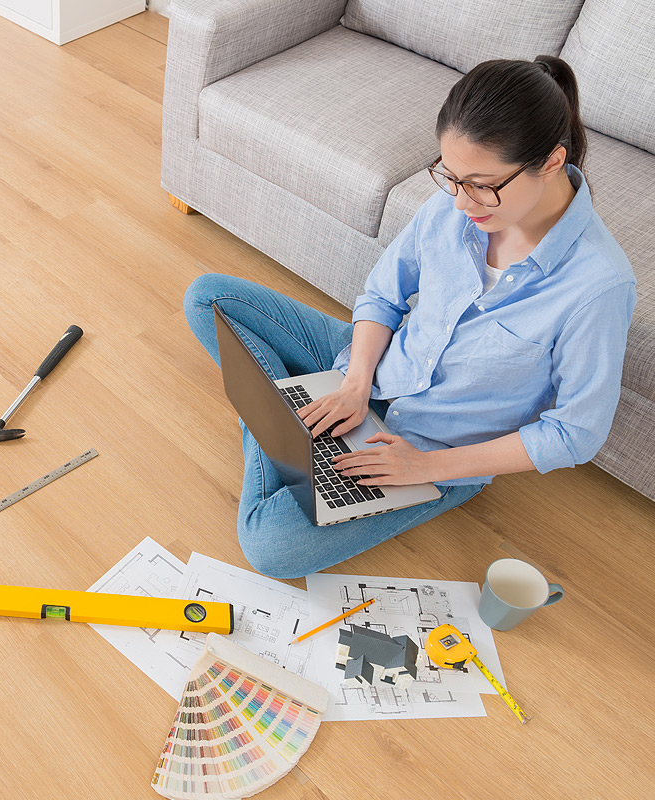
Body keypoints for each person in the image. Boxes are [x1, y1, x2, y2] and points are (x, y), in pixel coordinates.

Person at [183, 56, 636, 580]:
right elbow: (382, 296)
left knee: (270, 547)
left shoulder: (596, 286)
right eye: (451, 176)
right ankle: (293, 419)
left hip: (431, 451)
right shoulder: (458, 205)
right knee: (208, 297)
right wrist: (354, 383)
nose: (462, 201)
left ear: (552, 162)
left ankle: (275, 416)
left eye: (482, 184)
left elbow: (575, 433)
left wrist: (423, 468)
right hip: (372, 370)